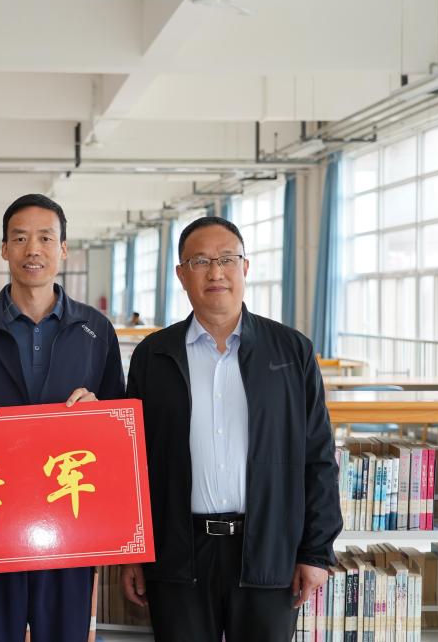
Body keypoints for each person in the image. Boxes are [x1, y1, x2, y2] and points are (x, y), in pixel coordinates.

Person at [121, 216, 341, 642]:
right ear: (181, 274)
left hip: (268, 549)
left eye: (226, 259)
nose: (215, 272)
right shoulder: (153, 355)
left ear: (245, 267)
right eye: (200, 261)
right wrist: (133, 551)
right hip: (178, 554)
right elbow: (133, 464)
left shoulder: (291, 351)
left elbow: (318, 457)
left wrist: (315, 552)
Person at [0, 193, 126, 642]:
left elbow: (121, 432)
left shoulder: (95, 331)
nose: (33, 249)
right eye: (20, 238)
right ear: (4, 249)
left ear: (63, 249)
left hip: (68, 526)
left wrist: (100, 415)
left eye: (45, 238)